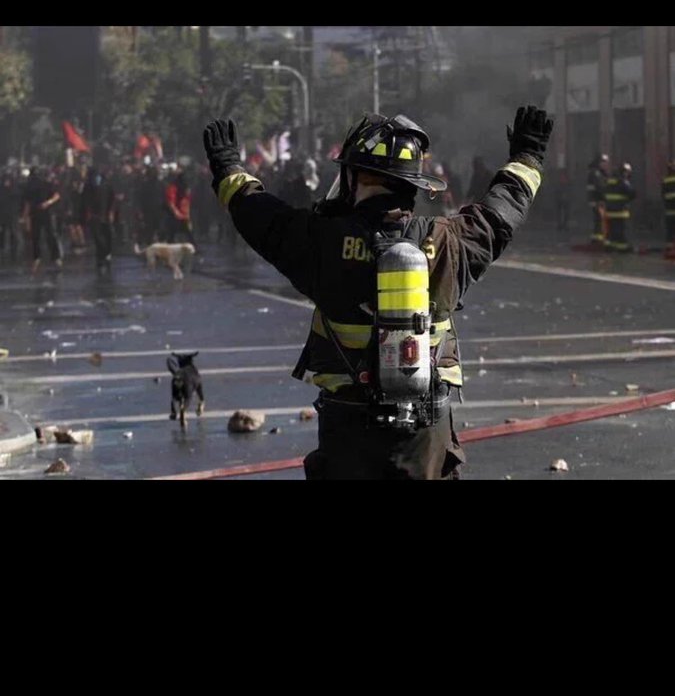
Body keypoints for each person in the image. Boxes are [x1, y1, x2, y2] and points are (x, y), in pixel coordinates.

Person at [204, 105, 553, 481]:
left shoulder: (319, 240)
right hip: (426, 429)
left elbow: (256, 214)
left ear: (356, 178)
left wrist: (227, 166)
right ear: (410, 185)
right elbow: (501, 212)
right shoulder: (448, 241)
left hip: (348, 426)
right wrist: (527, 155)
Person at [22, 168, 62, 273]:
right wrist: (48, 203)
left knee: (41, 236)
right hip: (42, 212)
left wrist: (25, 217)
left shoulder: (31, 186)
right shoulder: (42, 184)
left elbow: (27, 204)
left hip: (40, 213)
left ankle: (41, 258)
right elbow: (56, 196)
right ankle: (52, 257)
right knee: (45, 235)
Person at [80, 167, 116, 272]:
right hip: (95, 215)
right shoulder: (88, 186)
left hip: (105, 213)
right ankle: (101, 256)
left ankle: (105, 254)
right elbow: (85, 201)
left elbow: (112, 199)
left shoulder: (107, 185)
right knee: (98, 236)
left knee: (106, 235)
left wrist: (111, 212)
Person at [604, 162, 637, 253]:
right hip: (620, 212)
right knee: (621, 231)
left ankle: (609, 246)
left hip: (610, 212)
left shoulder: (609, 181)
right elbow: (632, 193)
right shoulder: (623, 181)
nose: (628, 174)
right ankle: (623, 248)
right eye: (628, 172)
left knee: (611, 231)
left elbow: (604, 193)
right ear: (624, 172)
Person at [587, 154, 610, 248]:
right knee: (599, 220)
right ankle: (598, 240)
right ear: (599, 163)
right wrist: (605, 197)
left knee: (599, 220)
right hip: (597, 200)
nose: (605, 164)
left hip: (599, 200)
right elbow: (599, 188)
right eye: (604, 162)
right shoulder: (595, 173)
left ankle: (597, 239)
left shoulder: (600, 173)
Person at [662, 161, 675, 255]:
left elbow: (663, 195)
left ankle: (669, 250)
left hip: (669, 210)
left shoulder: (665, 180)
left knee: (670, 231)